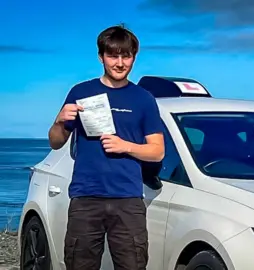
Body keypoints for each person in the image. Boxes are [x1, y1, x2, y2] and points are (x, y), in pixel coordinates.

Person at [48, 24, 165, 270]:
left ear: (134, 57)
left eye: (126, 56)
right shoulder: (81, 92)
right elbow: (56, 141)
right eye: (113, 55)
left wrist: (126, 146)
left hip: (128, 200)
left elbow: (157, 151)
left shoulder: (143, 99)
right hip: (85, 198)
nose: (120, 63)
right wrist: (59, 120)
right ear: (101, 57)